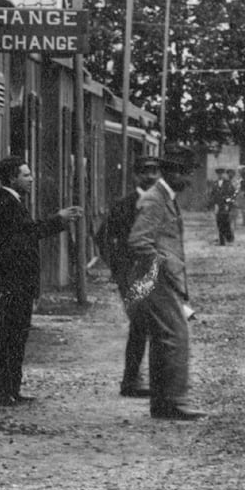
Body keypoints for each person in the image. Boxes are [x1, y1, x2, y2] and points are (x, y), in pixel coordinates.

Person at [0, 156, 82, 405]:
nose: (31, 178)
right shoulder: (6, 204)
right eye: (26, 175)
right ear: (13, 178)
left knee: (15, 335)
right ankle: (5, 391)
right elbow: (28, 235)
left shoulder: (10, 202)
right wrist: (58, 219)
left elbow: (26, 234)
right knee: (12, 337)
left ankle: (10, 389)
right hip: (11, 283)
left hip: (14, 283)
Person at [129, 148, 206, 421]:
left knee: (165, 338)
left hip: (160, 279)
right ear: (171, 172)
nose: (187, 180)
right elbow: (139, 241)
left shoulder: (164, 197)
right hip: (157, 280)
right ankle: (172, 402)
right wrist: (162, 268)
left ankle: (163, 403)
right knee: (175, 336)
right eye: (184, 174)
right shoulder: (155, 200)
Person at [97, 154, 160, 398]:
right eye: (145, 171)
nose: (151, 176)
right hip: (131, 274)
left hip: (157, 275)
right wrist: (117, 268)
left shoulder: (164, 204)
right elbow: (102, 236)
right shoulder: (124, 204)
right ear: (136, 175)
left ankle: (144, 380)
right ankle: (131, 381)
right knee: (141, 323)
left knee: (152, 326)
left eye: (155, 171)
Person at [209, 167, 238, 245]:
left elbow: (232, 194)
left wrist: (228, 204)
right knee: (219, 222)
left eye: (221, 174)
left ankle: (229, 238)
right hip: (217, 206)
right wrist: (214, 204)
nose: (220, 175)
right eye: (218, 174)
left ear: (223, 174)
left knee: (226, 222)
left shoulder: (228, 183)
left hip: (225, 205)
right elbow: (212, 194)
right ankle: (222, 241)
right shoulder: (214, 183)